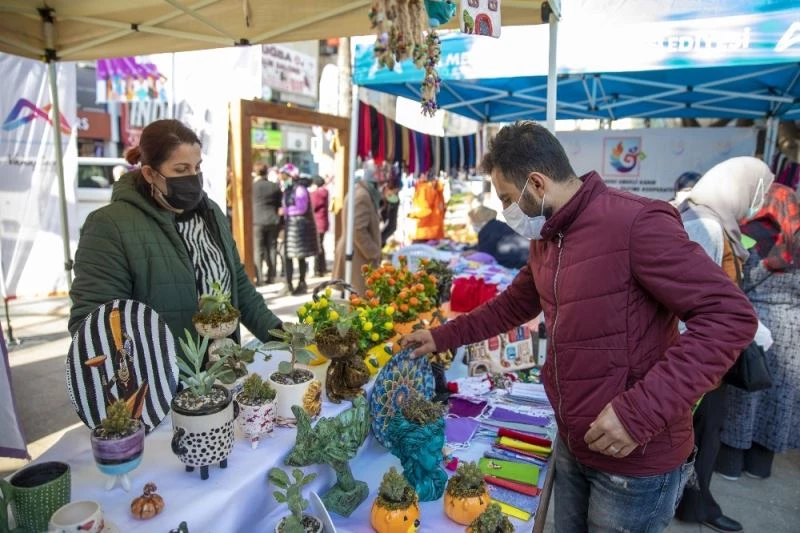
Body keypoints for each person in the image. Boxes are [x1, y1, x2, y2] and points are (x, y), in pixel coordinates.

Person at [401, 121, 757, 532]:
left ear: (536, 183)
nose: (505, 213)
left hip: (635, 460)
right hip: (573, 441)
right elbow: (510, 307)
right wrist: (440, 336)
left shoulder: (637, 224)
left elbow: (730, 317)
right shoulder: (546, 238)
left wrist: (639, 412)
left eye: (507, 199)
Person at [68, 119, 282, 349]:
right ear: (150, 173)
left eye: (197, 167)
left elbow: (239, 286)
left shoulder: (211, 213)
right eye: (181, 169)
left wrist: (280, 335)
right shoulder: (110, 226)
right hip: (161, 380)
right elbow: (94, 323)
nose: (193, 177)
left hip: (224, 371)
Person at [674, 156, 773, 533]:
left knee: (703, 435)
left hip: (706, 355)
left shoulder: (713, 221)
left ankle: (693, 503)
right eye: (755, 191)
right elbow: (692, 298)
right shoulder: (705, 225)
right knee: (698, 436)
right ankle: (693, 506)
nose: (755, 203)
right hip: (698, 358)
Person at [716, 183, 800, 482]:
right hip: (794, 332)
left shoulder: (751, 233)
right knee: (780, 398)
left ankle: (730, 465)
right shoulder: (796, 237)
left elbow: (738, 277)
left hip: (756, 325)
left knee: (745, 394)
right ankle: (760, 466)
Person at [333, 162, 382, 296]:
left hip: (355, 253)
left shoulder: (358, 192)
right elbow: (357, 230)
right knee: (358, 303)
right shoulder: (362, 196)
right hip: (358, 256)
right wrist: (373, 252)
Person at [280, 164, 319, 295]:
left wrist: (285, 211)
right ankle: (288, 283)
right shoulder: (288, 189)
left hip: (300, 228)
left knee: (300, 257)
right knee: (288, 256)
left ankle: (302, 283)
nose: (283, 179)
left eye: (285, 176)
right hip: (291, 227)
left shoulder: (300, 189)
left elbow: (301, 208)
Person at [252, 166, 282, 285]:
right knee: (272, 248)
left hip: (257, 221)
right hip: (272, 220)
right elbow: (279, 204)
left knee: (258, 250)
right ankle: (272, 276)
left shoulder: (252, 187)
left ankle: (259, 278)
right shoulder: (274, 186)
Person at [409, 171, 446, 242]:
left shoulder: (424, 188)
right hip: (437, 231)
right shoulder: (438, 189)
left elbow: (424, 210)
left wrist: (411, 215)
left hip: (424, 232)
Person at [309, 175, 330, 277]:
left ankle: (318, 269)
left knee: (317, 246)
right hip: (323, 222)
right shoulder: (324, 192)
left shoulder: (317, 194)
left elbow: (312, 206)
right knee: (321, 245)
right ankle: (322, 267)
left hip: (318, 223)